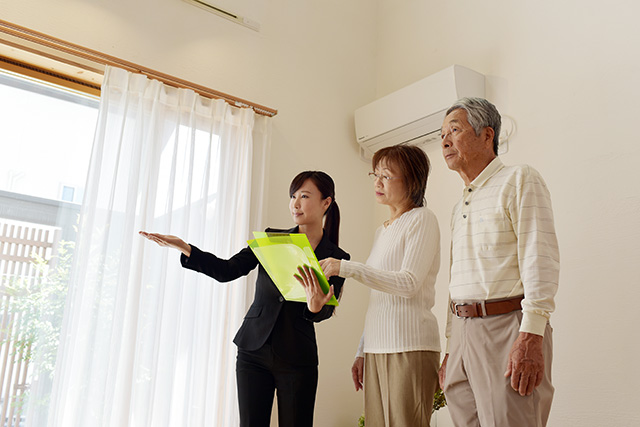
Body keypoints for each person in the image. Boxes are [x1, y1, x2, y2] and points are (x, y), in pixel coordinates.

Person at [139, 171, 350, 427]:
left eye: (304, 196)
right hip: (253, 351)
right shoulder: (271, 239)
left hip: (297, 357)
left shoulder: (337, 257)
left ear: (326, 202)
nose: (295, 203)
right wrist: (186, 248)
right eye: (293, 196)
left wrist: (315, 308)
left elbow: (326, 308)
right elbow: (227, 270)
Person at [437, 97, 559, 426]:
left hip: (507, 327)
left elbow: (540, 257)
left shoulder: (519, 179)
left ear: (487, 135)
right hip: (462, 333)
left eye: (455, 130)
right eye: (442, 134)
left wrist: (531, 335)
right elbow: (456, 279)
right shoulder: (458, 205)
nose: (445, 140)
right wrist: (451, 347)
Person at [315, 144, 441, 427]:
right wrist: (363, 350)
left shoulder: (422, 220)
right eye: (376, 174)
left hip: (410, 346)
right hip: (377, 348)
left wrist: (347, 267)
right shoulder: (382, 230)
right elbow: (379, 298)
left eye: (386, 175)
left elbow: (408, 283)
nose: (378, 182)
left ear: (412, 180)